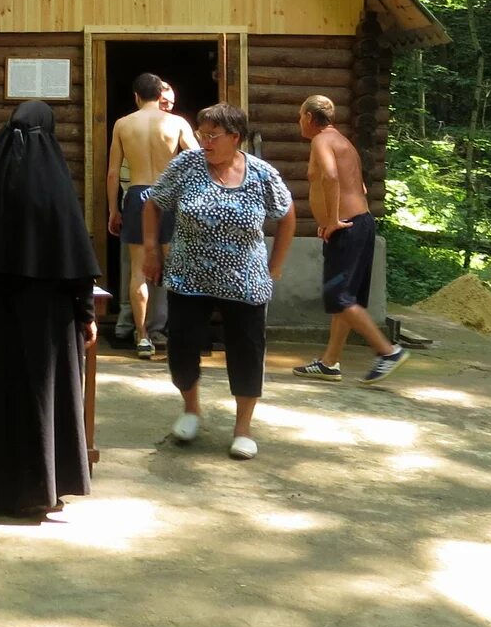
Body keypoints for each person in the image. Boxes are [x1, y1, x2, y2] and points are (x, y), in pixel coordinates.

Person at [0, 100, 100, 518]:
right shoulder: (52, 181)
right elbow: (73, 255)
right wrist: (86, 314)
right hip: (48, 315)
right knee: (44, 395)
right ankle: (44, 487)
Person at [142, 103, 293, 460]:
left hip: (245, 281)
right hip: (187, 276)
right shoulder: (186, 165)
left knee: (246, 351)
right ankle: (191, 409)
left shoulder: (261, 174)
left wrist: (275, 267)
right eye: (202, 134)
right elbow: (152, 203)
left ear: (235, 137)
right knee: (182, 347)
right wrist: (151, 251)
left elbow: (286, 216)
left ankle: (243, 428)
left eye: (212, 135)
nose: (204, 142)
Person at [289, 95, 410, 384]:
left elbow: (330, 177)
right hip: (359, 223)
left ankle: (388, 351)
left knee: (339, 297)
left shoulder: (321, 141)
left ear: (308, 117)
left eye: (298, 116)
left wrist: (332, 220)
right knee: (346, 297)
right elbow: (361, 186)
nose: (298, 121)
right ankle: (329, 362)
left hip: (348, 227)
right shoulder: (343, 142)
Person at [105, 72, 196, 359]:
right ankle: (176, 331)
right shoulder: (177, 123)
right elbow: (197, 160)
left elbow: (111, 172)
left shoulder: (123, 124)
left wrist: (113, 209)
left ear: (136, 96)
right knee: (173, 267)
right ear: (160, 96)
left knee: (138, 270)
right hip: (167, 194)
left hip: (137, 193)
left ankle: (142, 336)